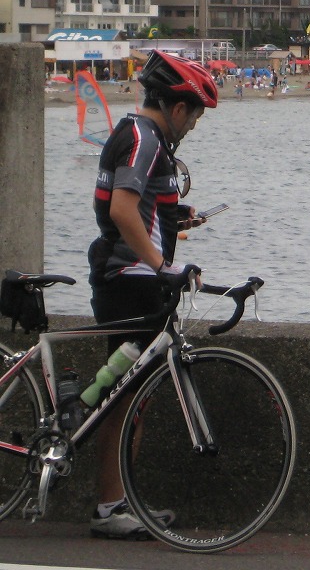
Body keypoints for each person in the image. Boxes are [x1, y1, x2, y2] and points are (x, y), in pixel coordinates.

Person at [85, 50, 218, 540]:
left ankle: (119, 501)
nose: (193, 127)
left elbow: (135, 207)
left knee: (126, 396)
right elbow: (122, 211)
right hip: (130, 282)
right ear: (178, 107)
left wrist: (174, 215)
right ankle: (108, 507)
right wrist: (163, 265)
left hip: (131, 278)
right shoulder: (145, 139)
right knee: (122, 401)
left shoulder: (141, 138)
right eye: (195, 116)